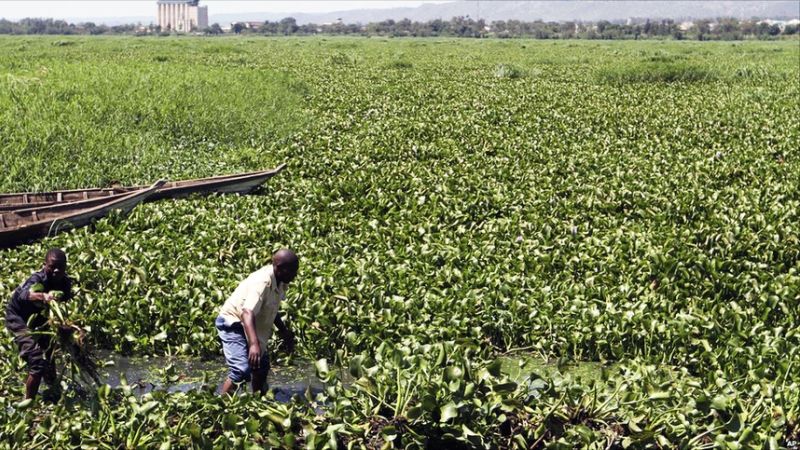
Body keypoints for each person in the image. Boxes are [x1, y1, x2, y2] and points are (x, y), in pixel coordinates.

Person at [216, 249, 298, 395]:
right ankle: (220, 409)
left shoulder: (281, 280)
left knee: (261, 367)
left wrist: (283, 331)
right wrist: (254, 345)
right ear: (278, 268)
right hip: (233, 322)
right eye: (291, 271)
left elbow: (271, 307)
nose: (294, 275)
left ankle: (257, 402)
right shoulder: (262, 282)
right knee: (241, 370)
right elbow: (247, 312)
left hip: (251, 322)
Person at [5, 248, 73, 400]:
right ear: (45, 265)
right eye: (52, 266)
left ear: (65, 267)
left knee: (50, 353)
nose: (56, 271)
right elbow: (24, 295)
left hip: (41, 319)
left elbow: (65, 305)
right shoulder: (37, 279)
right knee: (37, 359)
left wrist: (65, 325)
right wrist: (42, 296)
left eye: (60, 267)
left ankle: (52, 393)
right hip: (19, 318)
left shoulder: (65, 283)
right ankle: (28, 404)